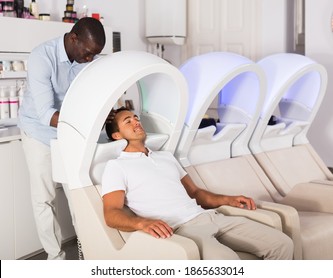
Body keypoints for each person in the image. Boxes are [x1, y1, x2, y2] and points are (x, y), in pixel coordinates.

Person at [101, 107, 294, 260]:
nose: (136, 122)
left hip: (211, 217)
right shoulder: (117, 166)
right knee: (227, 262)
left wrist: (230, 200)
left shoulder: (166, 157)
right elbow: (111, 213)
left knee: (283, 244)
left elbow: (195, 193)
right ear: (117, 135)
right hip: (182, 229)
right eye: (128, 121)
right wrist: (141, 223)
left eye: (136, 118)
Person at [18, 17, 106, 260]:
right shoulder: (41, 57)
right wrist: (85, 122)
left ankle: (90, 254)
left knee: (80, 196)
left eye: (95, 55)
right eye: (88, 53)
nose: (90, 59)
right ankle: (56, 259)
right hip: (38, 132)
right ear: (73, 38)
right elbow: (46, 113)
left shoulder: (90, 59)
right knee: (44, 199)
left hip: (70, 134)